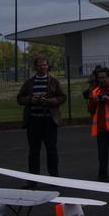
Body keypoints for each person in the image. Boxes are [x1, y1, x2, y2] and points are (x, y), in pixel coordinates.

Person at [16, 56, 67, 186]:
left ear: (48, 66)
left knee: (52, 150)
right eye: (39, 65)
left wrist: (50, 102)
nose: (42, 67)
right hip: (33, 121)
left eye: (44, 65)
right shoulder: (29, 82)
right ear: (35, 67)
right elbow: (20, 98)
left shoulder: (54, 81)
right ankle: (33, 180)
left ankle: (54, 179)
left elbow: (62, 97)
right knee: (33, 151)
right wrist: (30, 100)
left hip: (49, 121)